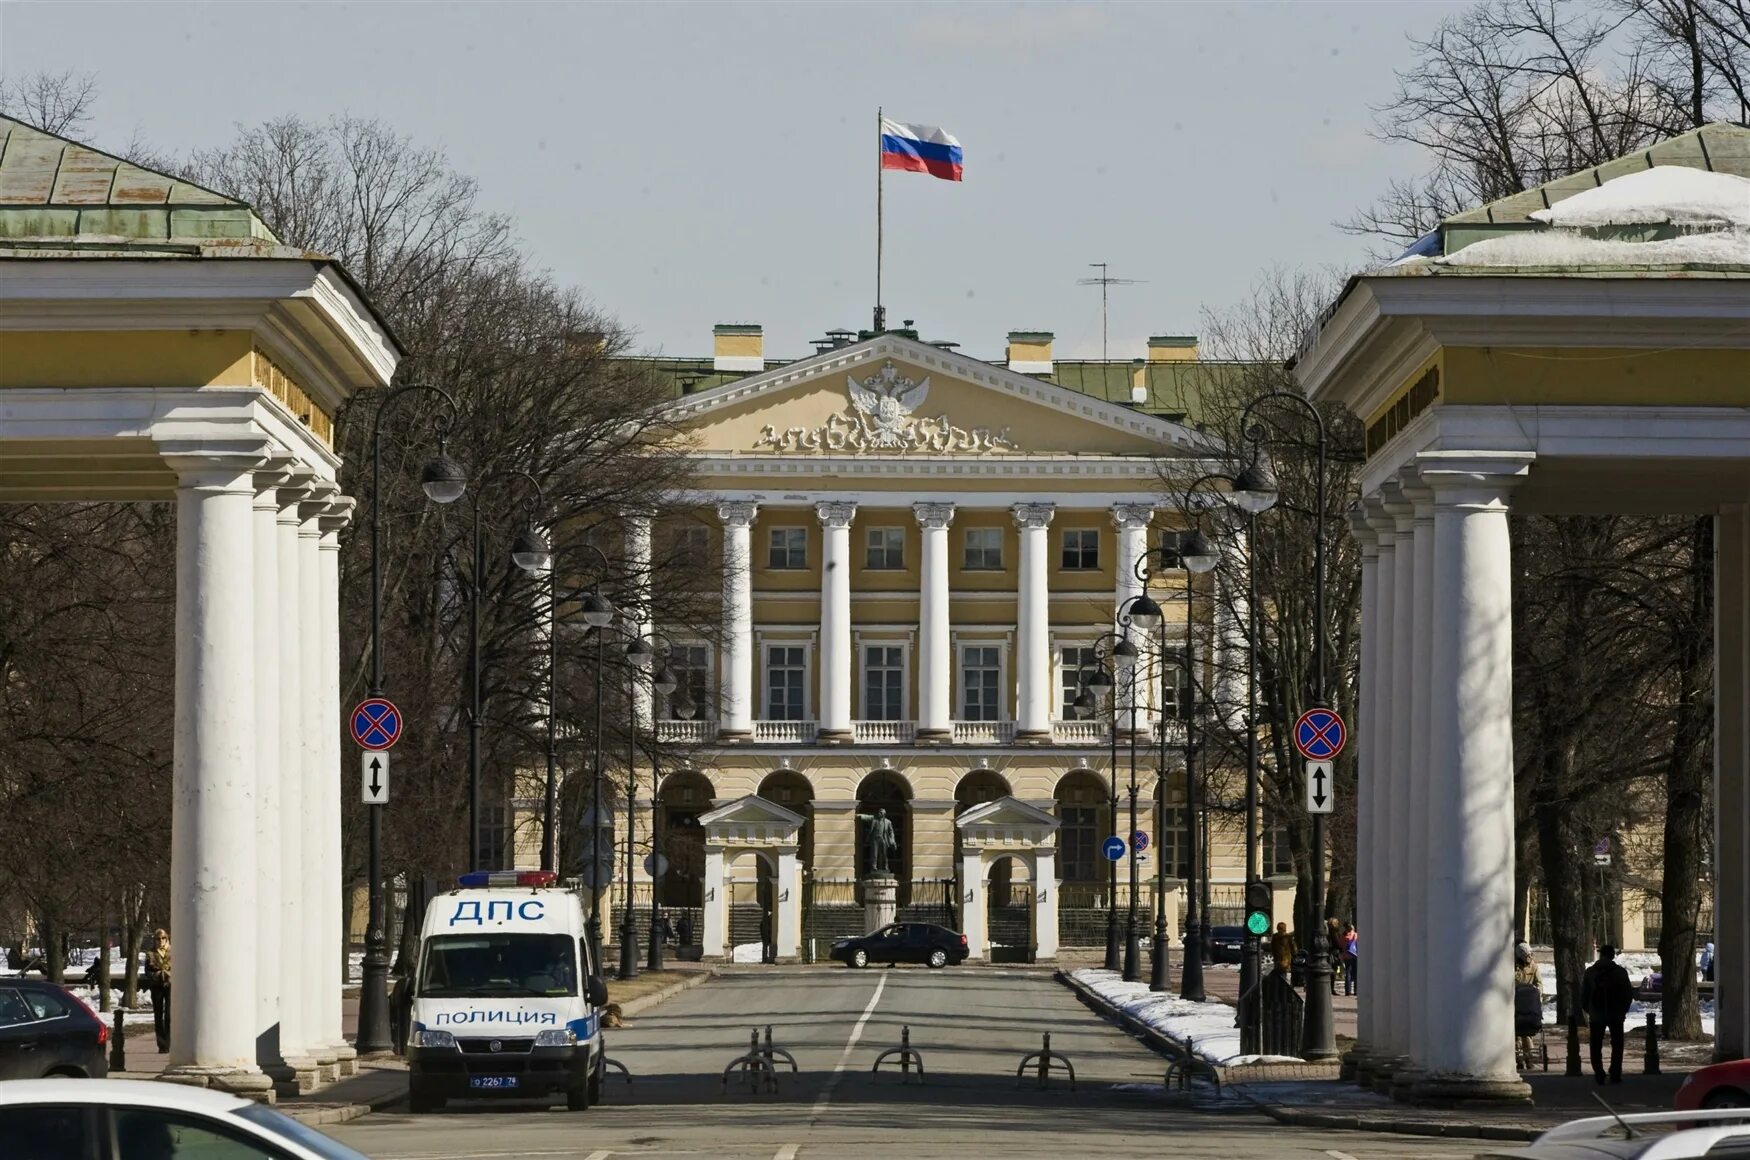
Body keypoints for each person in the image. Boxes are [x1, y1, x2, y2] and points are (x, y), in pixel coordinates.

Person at [1580, 943, 1635, 1084]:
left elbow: (1584, 994)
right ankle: (1615, 1072)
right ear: (1613, 956)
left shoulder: (1591, 972)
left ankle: (1599, 1072)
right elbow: (1628, 993)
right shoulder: (1620, 972)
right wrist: (1623, 1010)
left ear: (1600, 954)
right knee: (1617, 1044)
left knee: (1596, 1044)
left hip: (1597, 1014)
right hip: (1616, 1014)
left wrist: (1589, 1009)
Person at [1514, 942, 1544, 1070]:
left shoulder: (1534, 967)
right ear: (1520, 956)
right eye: (1526, 956)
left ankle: (1529, 1058)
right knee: (1515, 1034)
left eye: (1530, 955)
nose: (1529, 958)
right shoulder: (1514, 967)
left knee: (1527, 1033)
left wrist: (1537, 992)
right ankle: (1518, 1059)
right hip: (1516, 1002)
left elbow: (1539, 983)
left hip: (1529, 1003)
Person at [144, 928, 172, 1053]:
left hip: (170, 985)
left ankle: (170, 1042)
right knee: (158, 1015)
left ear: (167, 939)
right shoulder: (150, 953)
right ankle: (162, 1045)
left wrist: (169, 974)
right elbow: (147, 972)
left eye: (163, 938)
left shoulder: (173, 952)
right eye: (158, 939)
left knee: (169, 1015)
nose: (161, 941)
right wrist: (158, 975)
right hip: (156, 987)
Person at [1341, 923, 1359, 997]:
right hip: (1354, 955)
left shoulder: (1343, 936)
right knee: (1355, 973)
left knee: (1347, 972)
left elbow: (1340, 944)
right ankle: (1356, 990)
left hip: (1346, 955)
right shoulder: (1354, 935)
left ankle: (1347, 990)